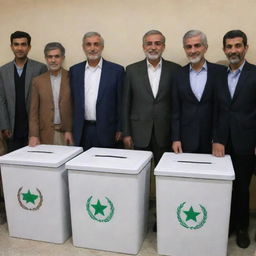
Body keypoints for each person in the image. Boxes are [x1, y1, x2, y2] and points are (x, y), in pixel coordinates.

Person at [213, 30, 256, 248]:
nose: (233, 50)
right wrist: (216, 139)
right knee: (222, 187)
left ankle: (241, 228)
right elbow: (215, 110)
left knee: (241, 188)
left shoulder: (255, 74)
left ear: (245, 48)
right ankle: (226, 224)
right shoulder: (218, 75)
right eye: (229, 47)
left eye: (238, 46)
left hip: (245, 142)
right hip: (221, 143)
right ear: (224, 49)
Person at [122, 30, 180, 165]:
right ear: (143, 47)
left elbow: (177, 105)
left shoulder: (175, 70)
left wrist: (177, 136)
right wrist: (126, 133)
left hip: (165, 134)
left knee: (165, 173)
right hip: (139, 132)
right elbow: (125, 104)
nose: (153, 47)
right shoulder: (131, 70)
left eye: (157, 44)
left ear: (163, 47)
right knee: (140, 175)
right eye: (149, 44)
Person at [172, 30, 225, 154]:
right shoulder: (177, 75)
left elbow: (223, 110)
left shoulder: (220, 72)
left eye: (197, 45)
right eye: (188, 46)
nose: (193, 50)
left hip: (213, 141)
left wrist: (218, 139)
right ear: (184, 49)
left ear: (205, 48)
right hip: (186, 140)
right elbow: (175, 110)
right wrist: (176, 138)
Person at [69, 32, 124, 150]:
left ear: (102, 47)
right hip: (82, 130)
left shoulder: (117, 71)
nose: (92, 48)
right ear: (83, 47)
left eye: (96, 44)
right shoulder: (75, 71)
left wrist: (120, 128)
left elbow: (121, 103)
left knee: (105, 165)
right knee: (82, 166)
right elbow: (71, 102)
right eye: (88, 44)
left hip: (108, 130)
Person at [0, 31, 47, 152]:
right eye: (16, 44)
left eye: (23, 44)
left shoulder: (40, 68)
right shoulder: (3, 71)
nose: (20, 48)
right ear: (11, 47)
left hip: (33, 130)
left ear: (29, 47)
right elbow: (1, 100)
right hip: (12, 129)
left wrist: (38, 130)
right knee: (12, 166)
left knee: (34, 165)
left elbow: (44, 101)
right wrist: (4, 126)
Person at [29, 42, 73, 146]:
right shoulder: (37, 81)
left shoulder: (72, 77)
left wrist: (70, 129)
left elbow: (77, 107)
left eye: (57, 56)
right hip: (45, 134)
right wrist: (33, 135)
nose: (53, 60)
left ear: (63, 58)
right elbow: (33, 112)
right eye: (50, 57)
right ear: (45, 58)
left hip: (68, 134)